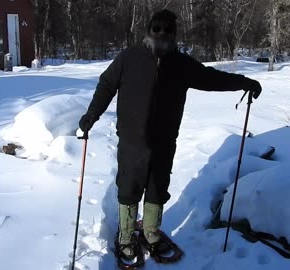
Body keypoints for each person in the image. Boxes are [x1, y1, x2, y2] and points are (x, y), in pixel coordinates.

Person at [78, 9, 262, 261]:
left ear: (174, 34)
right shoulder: (129, 58)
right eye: (157, 28)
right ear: (149, 29)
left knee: (157, 187)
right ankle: (126, 234)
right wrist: (91, 115)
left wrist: (244, 82)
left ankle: (151, 231)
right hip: (133, 140)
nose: (162, 33)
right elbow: (107, 85)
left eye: (167, 29)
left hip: (164, 140)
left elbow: (212, 78)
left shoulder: (181, 64)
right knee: (129, 186)